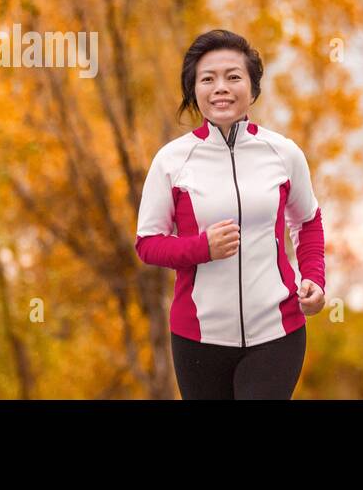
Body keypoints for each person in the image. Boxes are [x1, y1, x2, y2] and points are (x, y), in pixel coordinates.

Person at [135, 29, 325, 399]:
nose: (220, 87)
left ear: (252, 89)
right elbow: (148, 244)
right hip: (198, 339)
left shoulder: (283, 153)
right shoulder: (172, 161)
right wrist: (201, 248)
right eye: (208, 79)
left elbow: (307, 222)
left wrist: (315, 279)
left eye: (233, 77)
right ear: (194, 91)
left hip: (277, 331)